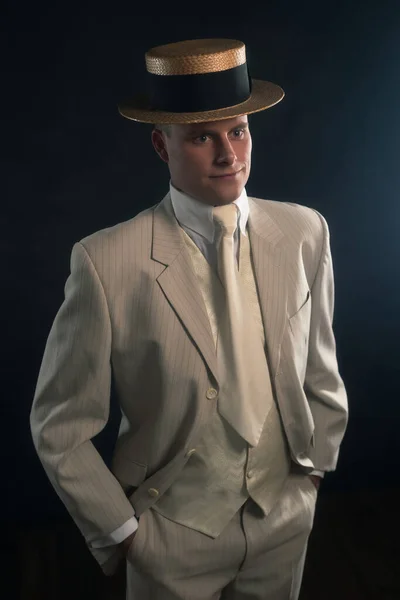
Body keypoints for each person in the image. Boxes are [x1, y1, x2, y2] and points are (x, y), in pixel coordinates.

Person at [30, 38, 348, 599]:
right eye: (203, 137)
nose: (229, 155)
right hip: (170, 535)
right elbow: (60, 424)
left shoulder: (304, 233)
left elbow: (320, 364)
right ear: (161, 144)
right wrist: (125, 532)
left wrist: (314, 471)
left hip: (284, 518)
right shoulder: (107, 262)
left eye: (239, 131)